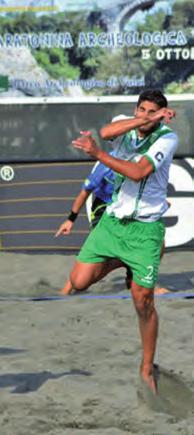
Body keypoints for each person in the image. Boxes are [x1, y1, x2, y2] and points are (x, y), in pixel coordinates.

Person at [68, 89, 177, 393]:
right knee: (77, 282)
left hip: (144, 230)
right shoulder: (128, 123)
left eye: (151, 111)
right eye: (140, 109)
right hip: (113, 223)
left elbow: (138, 172)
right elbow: (105, 132)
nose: (144, 115)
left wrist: (99, 154)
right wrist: (141, 119)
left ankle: (146, 368)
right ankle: (120, 261)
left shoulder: (167, 138)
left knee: (143, 302)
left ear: (161, 115)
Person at [55, 159, 115, 295]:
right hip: (103, 207)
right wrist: (71, 219)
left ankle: (134, 283)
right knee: (84, 277)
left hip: (124, 208)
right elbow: (85, 192)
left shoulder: (140, 158)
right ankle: (67, 288)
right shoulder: (106, 164)